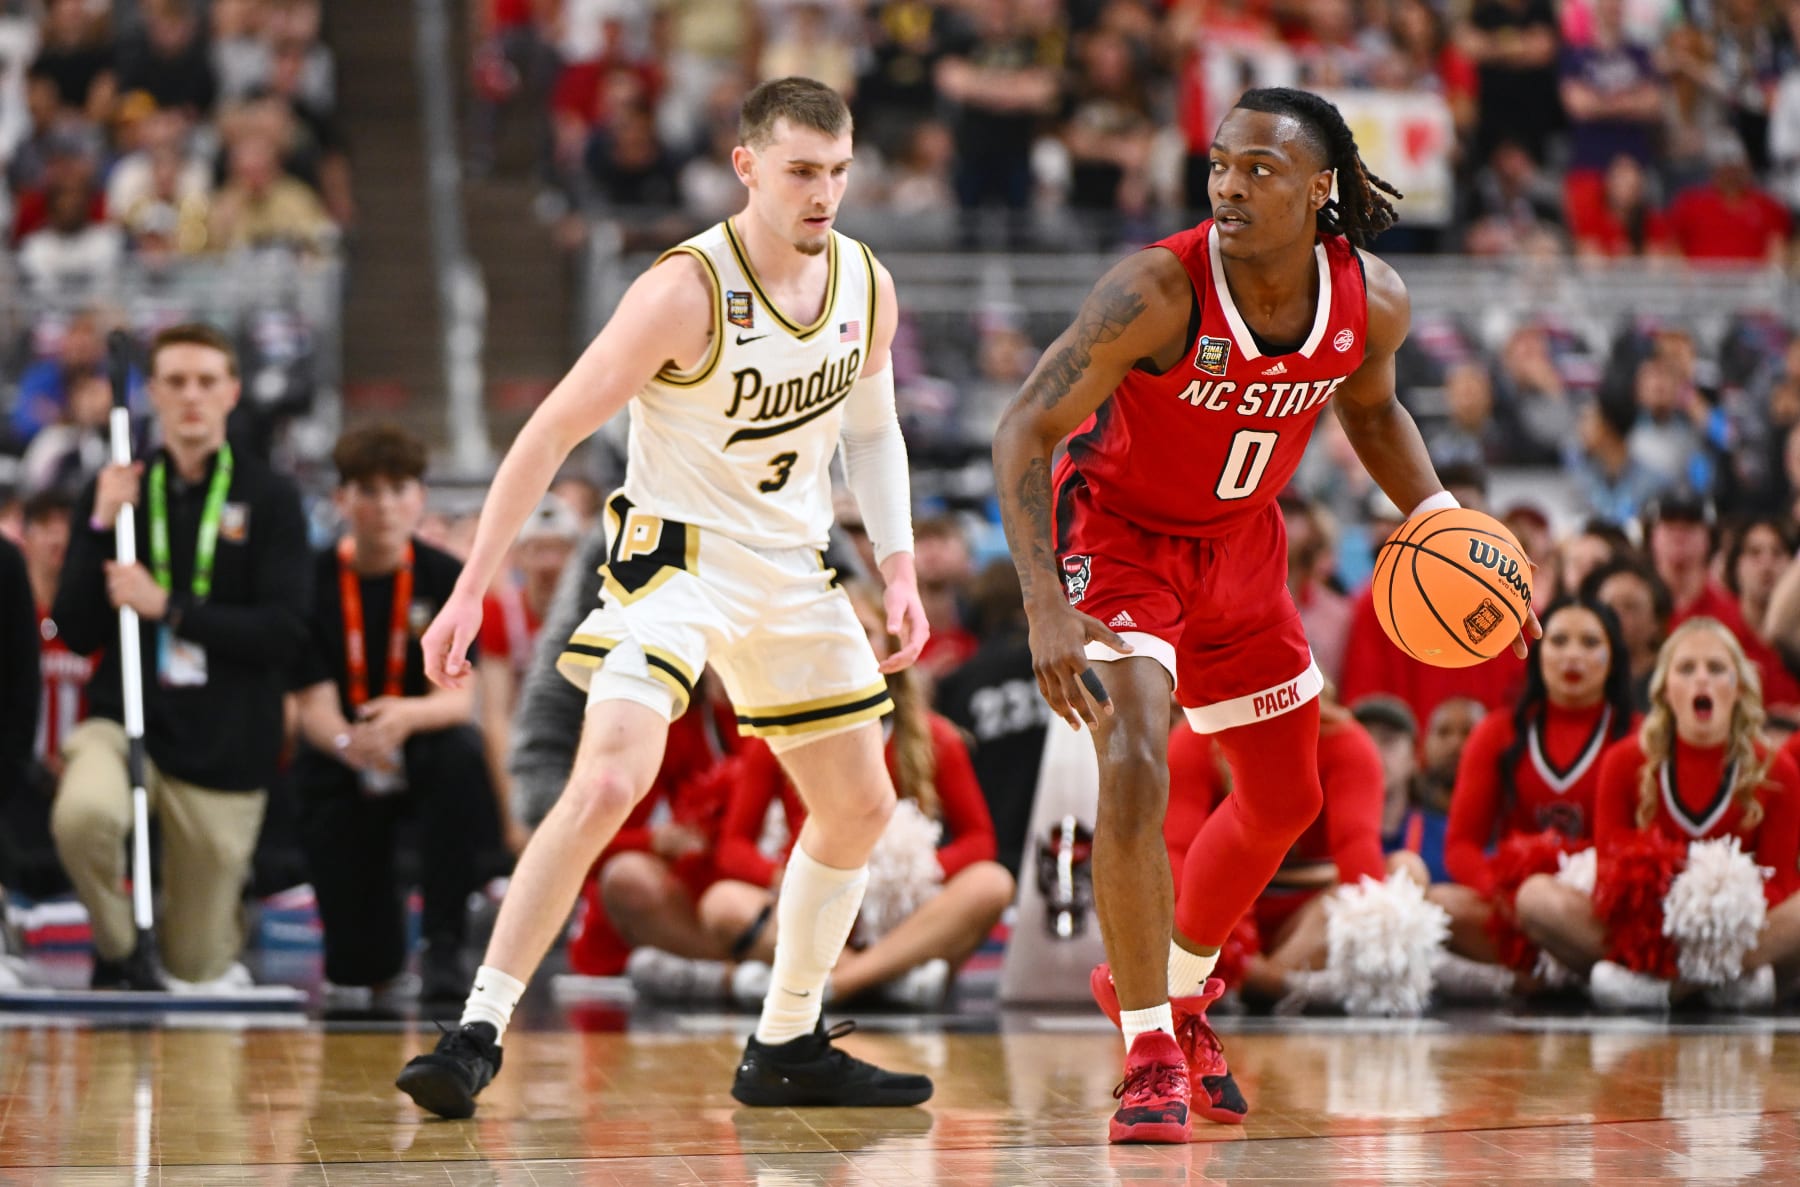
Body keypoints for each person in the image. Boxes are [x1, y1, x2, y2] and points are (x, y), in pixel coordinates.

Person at [991, 85, 1538, 1144]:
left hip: (1244, 548)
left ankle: (1172, 987)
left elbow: (1371, 408)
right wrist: (1045, 600)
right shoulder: (1156, 288)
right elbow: (1022, 427)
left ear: (1320, 189)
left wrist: (1439, 517)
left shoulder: (1369, 299)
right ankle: (1149, 1045)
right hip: (1121, 538)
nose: (1231, 186)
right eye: (1221, 165)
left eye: (1260, 170)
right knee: (1138, 756)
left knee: (1287, 795)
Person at [395, 77, 934, 1119]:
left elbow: (873, 431)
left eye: (837, 171)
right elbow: (548, 433)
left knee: (863, 802)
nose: (823, 194)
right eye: (800, 172)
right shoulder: (682, 290)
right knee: (607, 783)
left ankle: (786, 1039)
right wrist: (470, 588)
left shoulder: (866, 281)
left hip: (792, 562)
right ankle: (476, 1030)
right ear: (746, 166)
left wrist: (900, 566)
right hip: (676, 561)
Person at [50, 323, 312, 989]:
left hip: (224, 749)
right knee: (83, 816)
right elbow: (77, 630)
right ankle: (121, 948)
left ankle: (195, 938)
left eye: (205, 381)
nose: (191, 396)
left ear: (232, 391)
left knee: (196, 965)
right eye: (175, 382)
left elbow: (283, 632)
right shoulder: (120, 490)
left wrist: (168, 607)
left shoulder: (272, 498)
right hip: (127, 724)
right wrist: (100, 525)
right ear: (153, 394)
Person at [697, 581, 1014, 1009]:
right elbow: (732, 849)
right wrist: (783, 877)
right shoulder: (775, 732)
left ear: (888, 645)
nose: (848, 642)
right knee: (722, 903)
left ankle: (837, 982)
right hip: (812, 906)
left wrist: (909, 877)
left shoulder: (935, 736)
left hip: (899, 915)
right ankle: (884, 978)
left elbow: (980, 841)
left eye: (862, 631)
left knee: (992, 883)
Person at [289, 425, 499, 1003]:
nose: (384, 505)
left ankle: (444, 941)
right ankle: (367, 947)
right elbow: (311, 701)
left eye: (398, 489)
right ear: (342, 499)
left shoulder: (446, 577)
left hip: (420, 741)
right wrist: (346, 743)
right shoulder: (309, 579)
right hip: (343, 749)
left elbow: (458, 699)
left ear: (420, 498)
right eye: (369, 490)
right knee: (359, 969)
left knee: (458, 753)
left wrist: (402, 718)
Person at [1516, 618, 1800, 1008]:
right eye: (1686, 668)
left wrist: (1715, 906)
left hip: (1738, 934)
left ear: (1738, 686)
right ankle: (1713, 987)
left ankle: (1657, 988)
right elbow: (1609, 874)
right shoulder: (1624, 761)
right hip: (1648, 930)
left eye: (1716, 668)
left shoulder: (1776, 770)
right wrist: (1676, 908)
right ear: (1666, 688)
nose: (1702, 679)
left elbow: (1780, 884)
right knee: (1536, 898)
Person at [1430, 597, 1637, 976]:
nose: (1573, 655)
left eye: (1590, 643)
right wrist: (1504, 893)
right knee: (1438, 904)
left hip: (1600, 907)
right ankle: (1570, 974)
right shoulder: (1497, 732)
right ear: (1538, 653)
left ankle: (1575, 969)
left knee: (1544, 902)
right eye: (1558, 641)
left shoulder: (1639, 736)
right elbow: (1461, 845)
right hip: (1514, 909)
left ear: (1614, 658)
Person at [477, 494, 582, 854]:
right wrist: (515, 811)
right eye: (538, 550)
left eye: (559, 550)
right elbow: (497, 717)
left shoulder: (596, 614)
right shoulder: (499, 613)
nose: (549, 563)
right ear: (519, 555)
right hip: (524, 747)